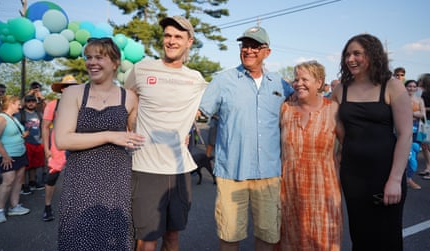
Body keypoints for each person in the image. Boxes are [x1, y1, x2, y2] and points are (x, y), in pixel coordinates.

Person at [199, 26, 294, 251]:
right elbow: (198, 113)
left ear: (267, 52)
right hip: (232, 172)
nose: (248, 50)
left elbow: (302, 107)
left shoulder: (280, 84)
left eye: (255, 46)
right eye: (245, 45)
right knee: (230, 236)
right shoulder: (223, 80)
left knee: (268, 235)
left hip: (269, 173)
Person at [124, 16, 207, 251]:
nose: (171, 41)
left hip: (180, 169)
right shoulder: (141, 70)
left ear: (189, 42)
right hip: (146, 167)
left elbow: (204, 107)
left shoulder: (196, 79)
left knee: (172, 237)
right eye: (168, 35)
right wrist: (130, 129)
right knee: (146, 241)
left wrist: (188, 125)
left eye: (178, 36)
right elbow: (127, 105)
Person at [54, 37, 144, 250]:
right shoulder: (73, 93)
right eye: (89, 57)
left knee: (114, 239)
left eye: (99, 57)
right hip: (81, 180)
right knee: (78, 238)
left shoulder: (128, 97)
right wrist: (109, 135)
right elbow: (62, 139)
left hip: (117, 180)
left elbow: (139, 134)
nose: (92, 62)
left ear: (114, 63)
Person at [332, 33, 412, 250]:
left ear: (373, 55)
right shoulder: (341, 89)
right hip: (353, 176)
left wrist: (395, 179)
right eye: (347, 54)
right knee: (360, 235)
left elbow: (405, 134)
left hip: (385, 174)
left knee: (388, 237)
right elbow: (324, 119)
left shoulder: (392, 86)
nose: (350, 59)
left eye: (357, 53)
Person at [278, 61, 342, 250]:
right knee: (290, 237)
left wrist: (337, 165)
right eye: (296, 79)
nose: (298, 83)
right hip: (289, 187)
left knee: (322, 239)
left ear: (319, 82)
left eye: (305, 79)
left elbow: (349, 145)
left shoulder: (333, 110)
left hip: (323, 187)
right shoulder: (285, 109)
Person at [41, 75, 78, 222]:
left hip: (76, 144)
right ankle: (47, 207)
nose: (71, 89)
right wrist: (46, 149)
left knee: (77, 177)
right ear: (62, 89)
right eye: (68, 86)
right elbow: (44, 127)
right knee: (53, 176)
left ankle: (74, 209)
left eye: (74, 86)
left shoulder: (81, 104)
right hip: (58, 146)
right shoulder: (53, 105)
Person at [0, 95, 31, 224]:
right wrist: (5, 156)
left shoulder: (13, 118)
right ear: (11, 103)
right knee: (7, 182)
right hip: (8, 156)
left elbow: (14, 134)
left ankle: (14, 206)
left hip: (20, 154)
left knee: (18, 180)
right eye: (18, 103)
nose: (20, 106)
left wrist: (24, 135)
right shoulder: (1, 118)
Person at [14, 94, 45, 194]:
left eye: (33, 101)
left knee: (35, 165)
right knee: (25, 166)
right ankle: (24, 185)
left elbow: (44, 128)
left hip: (38, 143)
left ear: (36, 103)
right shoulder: (20, 115)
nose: (31, 103)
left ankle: (32, 182)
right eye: (28, 101)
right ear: (25, 103)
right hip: (25, 143)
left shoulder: (39, 114)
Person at [404, 79, 425, 189]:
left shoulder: (419, 100)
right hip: (403, 129)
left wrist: (412, 113)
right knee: (407, 156)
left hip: (417, 129)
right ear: (405, 87)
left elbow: (423, 114)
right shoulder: (400, 99)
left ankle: (409, 178)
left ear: (416, 88)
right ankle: (407, 179)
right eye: (409, 86)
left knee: (414, 153)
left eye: (414, 86)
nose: (411, 88)